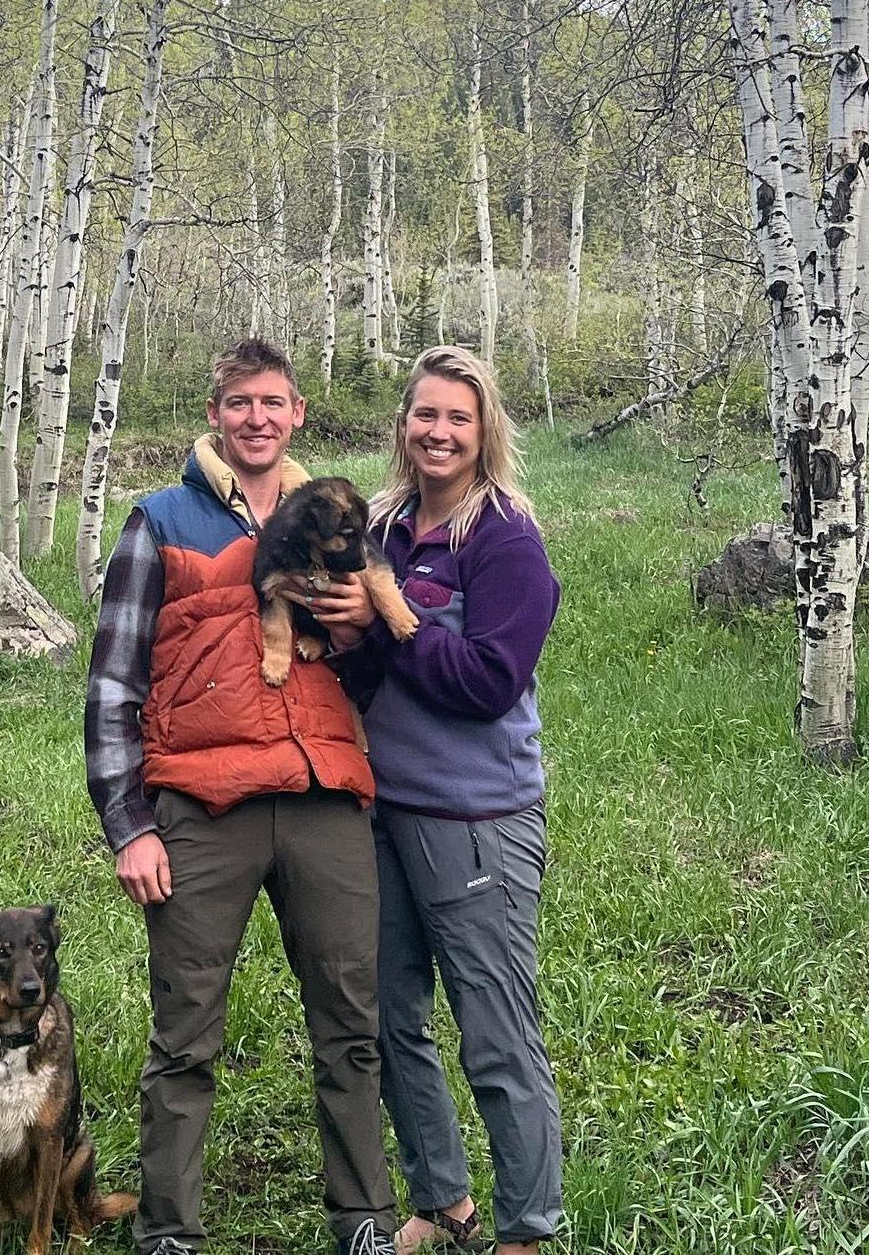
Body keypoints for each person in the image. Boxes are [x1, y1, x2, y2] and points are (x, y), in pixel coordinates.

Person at [85, 338, 398, 1255]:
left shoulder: (343, 520)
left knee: (350, 1023)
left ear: (298, 410)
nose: (256, 418)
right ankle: (168, 1232)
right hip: (200, 804)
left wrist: (358, 630)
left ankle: (365, 1223)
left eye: (273, 401)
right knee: (185, 1034)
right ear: (215, 414)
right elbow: (112, 684)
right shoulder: (161, 520)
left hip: (322, 794)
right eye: (238, 403)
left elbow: (381, 668)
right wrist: (128, 826)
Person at [309, 346, 562, 1255]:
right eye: (424, 415)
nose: (438, 432)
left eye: (457, 417)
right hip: (382, 810)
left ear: (484, 429)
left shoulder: (504, 540)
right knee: (387, 1015)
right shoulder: (383, 524)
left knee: (493, 1032)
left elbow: (489, 681)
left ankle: (525, 1230)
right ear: (403, 426)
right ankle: (441, 1199)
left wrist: (386, 621)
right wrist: (345, 635)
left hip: (478, 820)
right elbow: (378, 676)